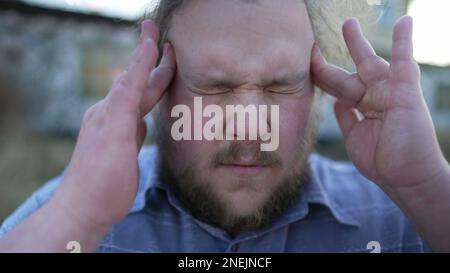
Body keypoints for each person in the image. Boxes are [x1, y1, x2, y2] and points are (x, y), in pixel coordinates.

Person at [0, 0, 449, 253]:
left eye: (279, 85)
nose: (248, 128)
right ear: (157, 92)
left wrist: (427, 185)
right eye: (215, 87)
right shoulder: (70, 219)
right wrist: (78, 218)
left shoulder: (406, 217)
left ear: (316, 92)